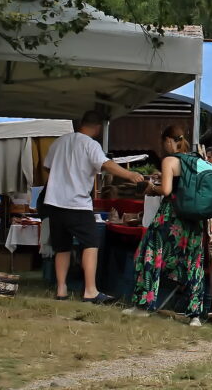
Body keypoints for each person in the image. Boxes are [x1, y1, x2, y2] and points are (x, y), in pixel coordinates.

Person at [43, 111, 144, 303]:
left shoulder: (60, 141)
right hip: (77, 204)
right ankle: (90, 290)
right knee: (91, 244)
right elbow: (106, 164)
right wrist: (130, 175)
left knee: (61, 247)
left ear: (82, 123)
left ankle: (61, 289)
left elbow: (47, 165)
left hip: (55, 203)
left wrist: (62, 173)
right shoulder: (91, 145)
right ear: (98, 127)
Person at [127, 126, 206, 324]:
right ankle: (195, 315)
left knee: (149, 254)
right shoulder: (198, 160)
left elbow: (167, 190)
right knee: (193, 263)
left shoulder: (170, 160)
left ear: (169, 141)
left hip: (171, 217)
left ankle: (144, 305)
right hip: (194, 219)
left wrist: (151, 187)